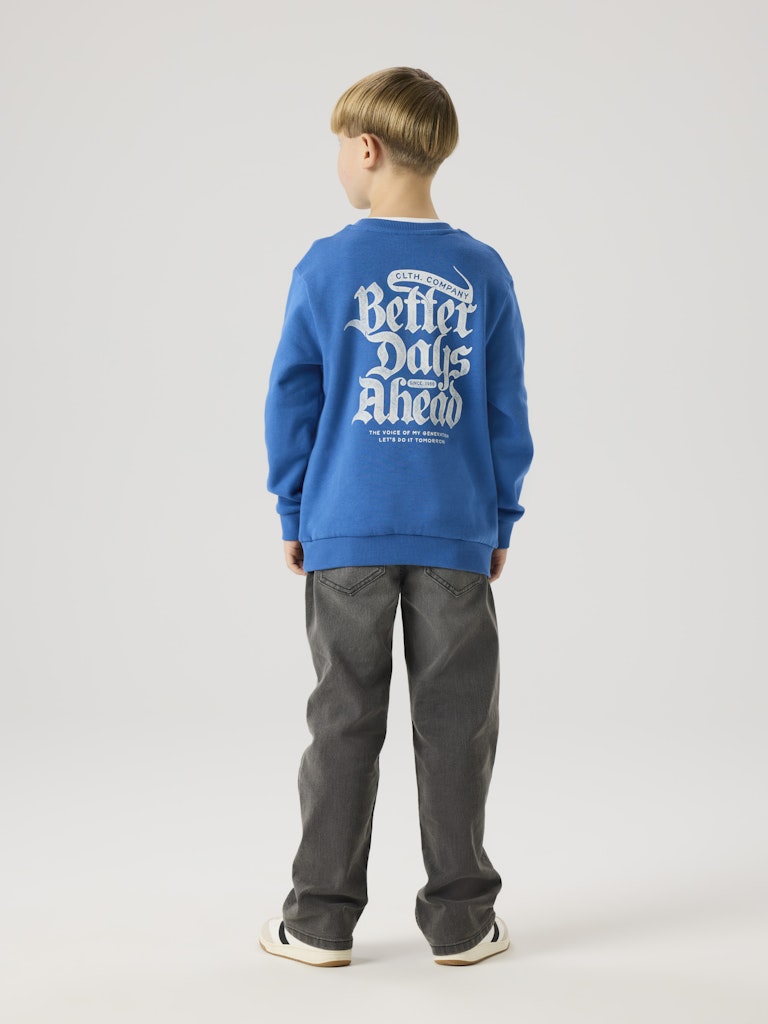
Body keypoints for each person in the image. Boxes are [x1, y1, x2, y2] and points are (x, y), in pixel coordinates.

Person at [260, 67, 534, 968]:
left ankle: (318, 923)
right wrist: (499, 519)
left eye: (341, 145)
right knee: (457, 726)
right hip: (455, 536)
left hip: (345, 534)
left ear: (368, 149)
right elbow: (504, 410)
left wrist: (294, 505)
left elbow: (293, 398)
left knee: (343, 722)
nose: (340, 161)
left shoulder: (326, 265)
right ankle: (462, 924)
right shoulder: (482, 270)